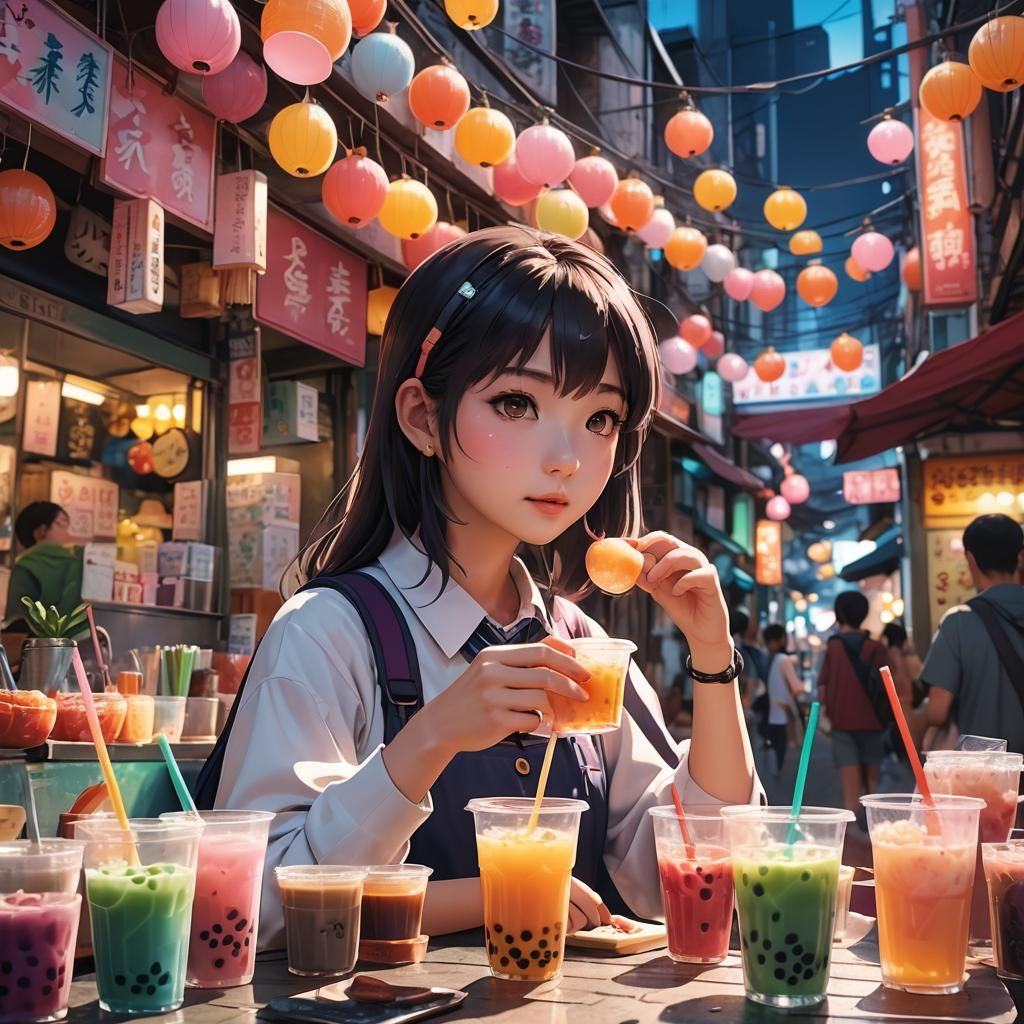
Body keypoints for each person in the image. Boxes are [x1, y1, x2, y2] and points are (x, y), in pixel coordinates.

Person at [204, 226, 759, 949]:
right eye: (516, 405)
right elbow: (256, 913)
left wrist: (713, 658)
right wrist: (434, 738)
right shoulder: (327, 632)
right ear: (421, 416)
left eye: (600, 418)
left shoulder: (582, 647)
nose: (565, 458)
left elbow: (693, 880)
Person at [921, 514, 1024, 752]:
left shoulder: (959, 621)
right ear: (1019, 555)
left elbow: (937, 712)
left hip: (986, 773)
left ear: (970, 558)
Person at [817, 591, 892, 814]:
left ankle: (851, 841)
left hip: (842, 726)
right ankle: (873, 839)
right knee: (872, 795)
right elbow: (887, 686)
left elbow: (822, 686)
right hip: (873, 726)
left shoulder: (832, 647)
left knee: (851, 799)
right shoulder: (876, 648)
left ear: (839, 614)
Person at [4, 502, 82, 624]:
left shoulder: (24, 566)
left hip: (41, 641)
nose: (67, 533)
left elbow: (16, 622)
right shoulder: (81, 560)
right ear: (41, 531)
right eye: (60, 523)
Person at [761, 624, 805, 773]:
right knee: (788, 766)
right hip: (785, 720)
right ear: (782, 639)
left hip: (772, 718)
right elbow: (797, 687)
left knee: (775, 766)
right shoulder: (783, 659)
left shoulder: (769, 660)